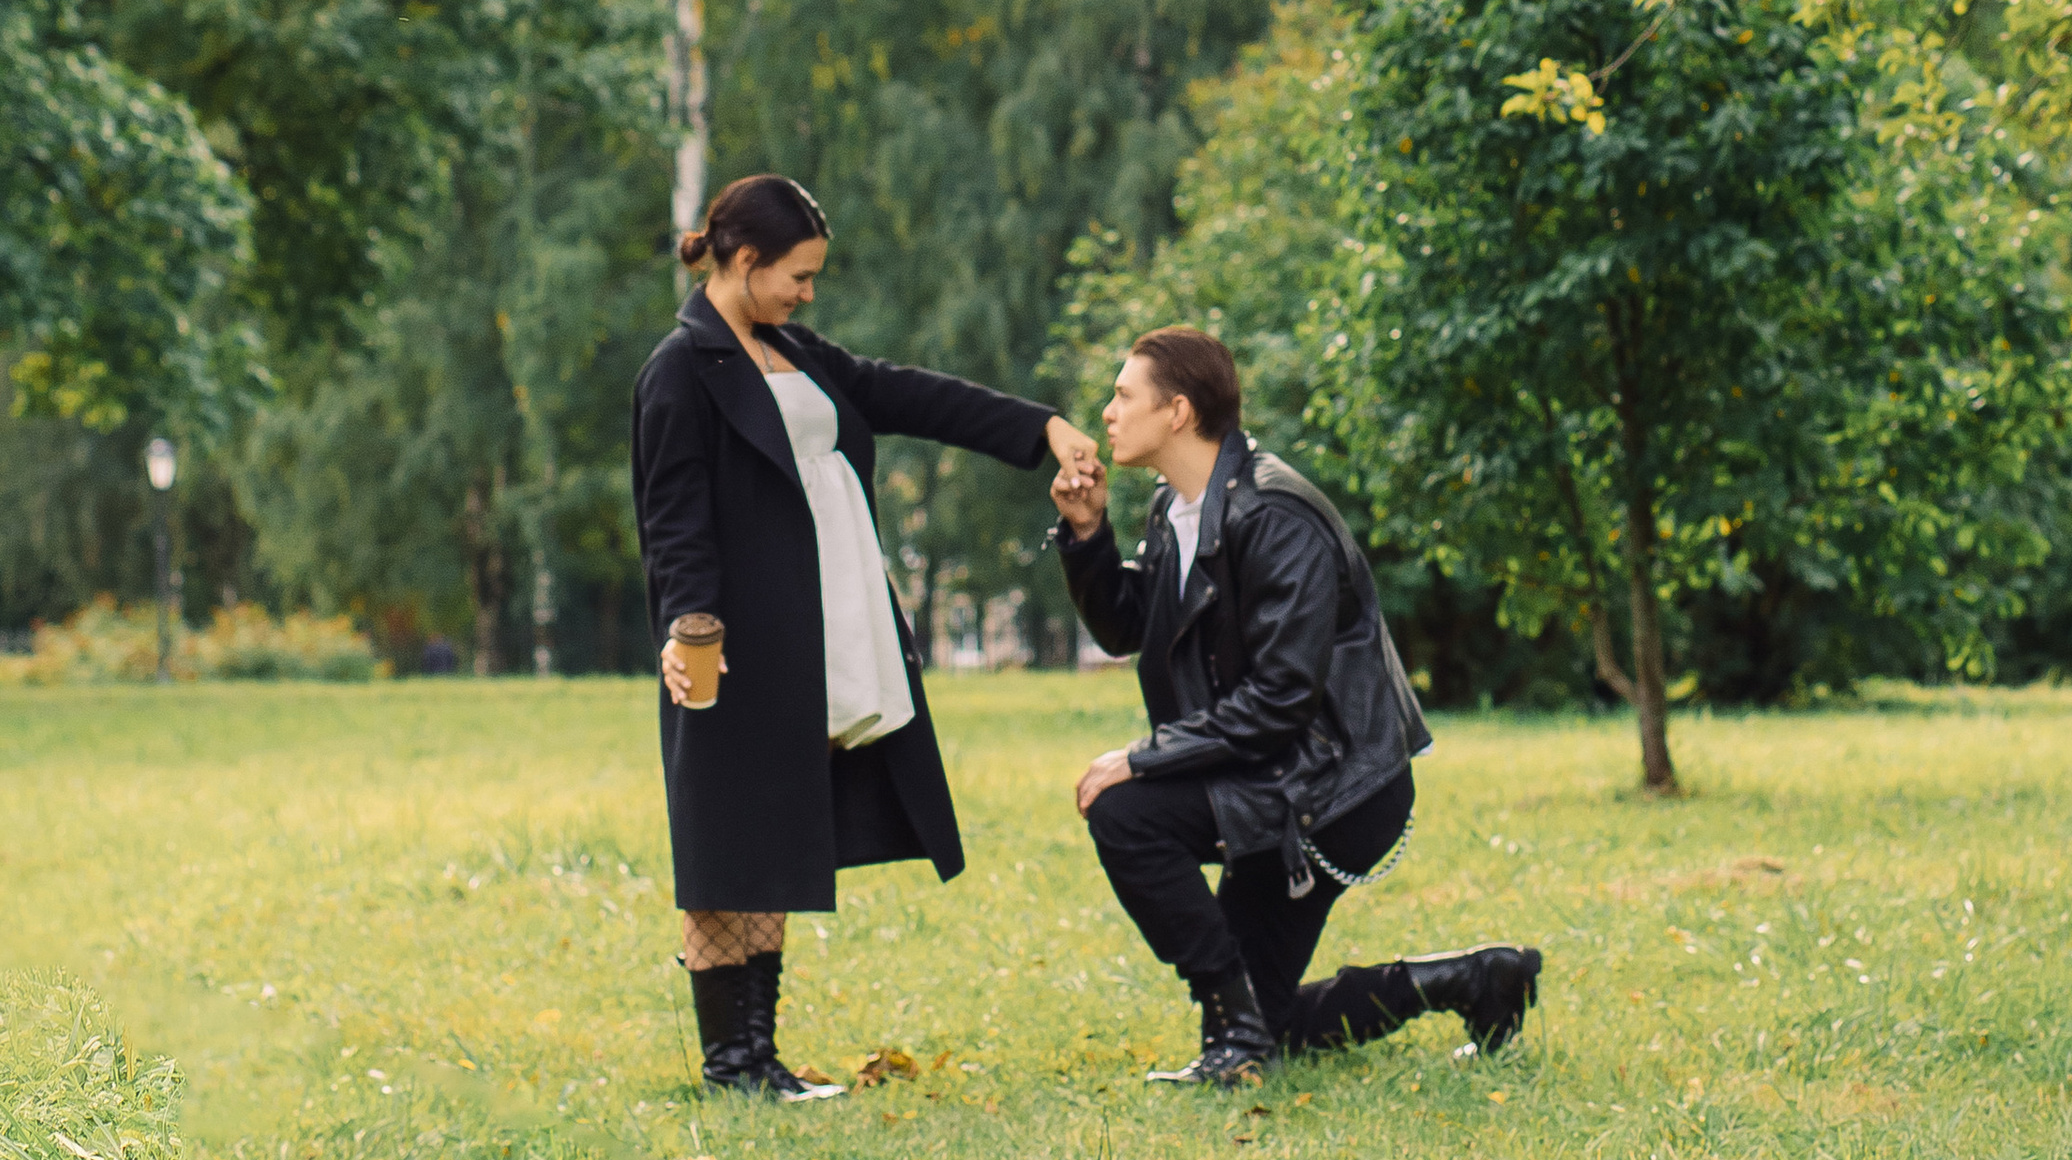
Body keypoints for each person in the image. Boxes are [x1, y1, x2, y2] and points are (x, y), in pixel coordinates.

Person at [632, 172, 1105, 1098]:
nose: (808, 293)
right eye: (798, 275)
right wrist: (690, 627)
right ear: (744, 259)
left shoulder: (787, 348)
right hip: (726, 641)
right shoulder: (680, 370)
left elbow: (909, 395)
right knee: (727, 840)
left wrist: (1042, 427)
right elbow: (672, 518)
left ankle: (759, 1058)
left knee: (773, 832)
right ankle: (730, 1065)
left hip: (818, 629)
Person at [1051, 326, 1542, 1088]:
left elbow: (1281, 699)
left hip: (1333, 787)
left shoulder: (1276, 515)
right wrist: (1087, 534)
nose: (1107, 413)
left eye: (1123, 395)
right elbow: (1128, 627)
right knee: (1272, 1017)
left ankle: (1233, 1032)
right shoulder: (1176, 506)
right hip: (1267, 774)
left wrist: (1143, 759)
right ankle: (1473, 980)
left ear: (1178, 412)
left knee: (1126, 811)